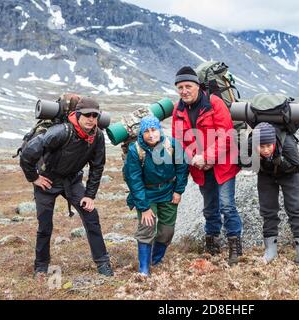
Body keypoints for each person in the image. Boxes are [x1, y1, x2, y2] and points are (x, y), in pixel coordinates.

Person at [20, 97, 114, 277]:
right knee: (45, 225)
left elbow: (97, 166)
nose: (91, 119)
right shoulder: (60, 132)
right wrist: (34, 178)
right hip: (47, 181)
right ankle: (41, 266)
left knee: (91, 216)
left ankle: (103, 263)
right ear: (77, 115)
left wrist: (90, 195)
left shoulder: (97, 136)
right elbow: (28, 154)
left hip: (72, 181)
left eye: (95, 115)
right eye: (87, 115)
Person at [171, 66, 243, 265]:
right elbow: (179, 141)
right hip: (200, 167)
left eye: (188, 86)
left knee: (227, 206)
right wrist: (195, 158)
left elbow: (226, 136)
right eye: (180, 87)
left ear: (197, 86)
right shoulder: (178, 110)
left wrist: (207, 156)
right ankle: (212, 244)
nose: (184, 91)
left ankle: (235, 246)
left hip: (223, 165)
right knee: (209, 208)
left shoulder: (214, 103)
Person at [123, 116, 189, 276]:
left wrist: (178, 191)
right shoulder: (135, 150)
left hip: (168, 191)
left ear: (159, 130)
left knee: (167, 231)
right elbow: (134, 180)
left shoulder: (172, 145)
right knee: (147, 228)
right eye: (146, 131)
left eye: (154, 130)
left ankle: (156, 260)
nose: (151, 134)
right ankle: (144, 269)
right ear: (142, 134)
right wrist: (144, 207)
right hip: (146, 194)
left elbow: (182, 168)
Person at [252, 122, 299, 265]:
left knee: (295, 209)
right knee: (268, 210)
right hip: (266, 175)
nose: (266, 150)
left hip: (290, 174)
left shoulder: (287, 143)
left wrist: (280, 161)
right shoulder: (250, 144)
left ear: (274, 142)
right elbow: (243, 162)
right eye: (261, 147)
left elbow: (297, 166)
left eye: (268, 146)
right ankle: (270, 251)